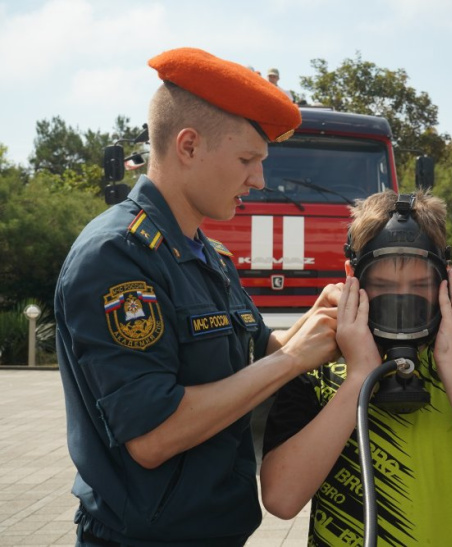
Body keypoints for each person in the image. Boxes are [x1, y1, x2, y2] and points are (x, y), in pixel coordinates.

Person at [54, 47, 339, 546]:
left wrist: (321, 320)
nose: (259, 180)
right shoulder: (117, 257)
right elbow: (153, 436)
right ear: (188, 146)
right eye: (248, 160)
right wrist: (293, 359)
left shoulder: (208, 254)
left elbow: (256, 353)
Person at [259, 190, 452, 546]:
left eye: (420, 285)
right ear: (353, 276)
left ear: (445, 279)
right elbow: (281, 499)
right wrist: (358, 376)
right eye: (383, 286)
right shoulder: (317, 359)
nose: (402, 301)